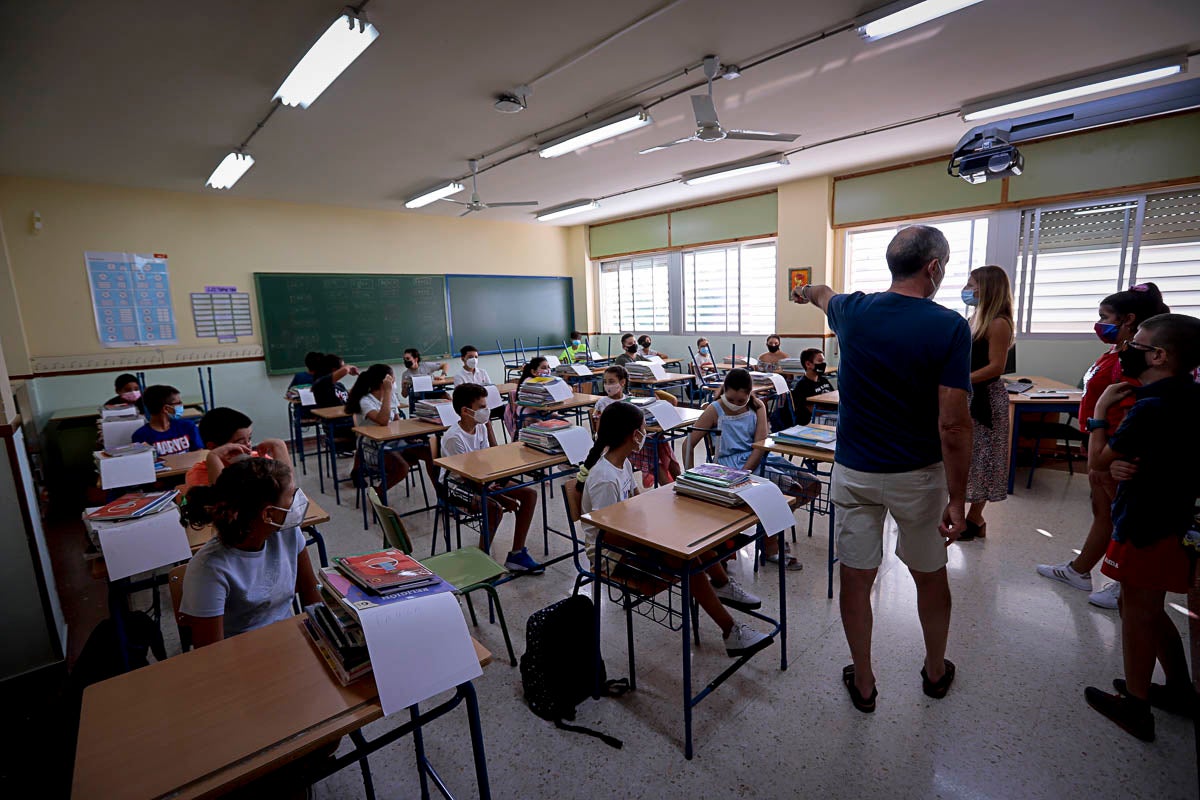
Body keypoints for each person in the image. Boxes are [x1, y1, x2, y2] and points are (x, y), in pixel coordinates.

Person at [791, 224, 973, 713]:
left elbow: (822, 293)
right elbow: (954, 424)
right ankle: (935, 672)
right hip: (918, 475)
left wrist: (804, 289)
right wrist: (959, 499)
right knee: (929, 574)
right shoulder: (950, 326)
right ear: (933, 267)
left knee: (857, 576)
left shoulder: (854, 311)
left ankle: (865, 682)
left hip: (855, 473)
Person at [1081, 313, 1200, 742]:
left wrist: (1098, 414)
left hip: (1147, 522)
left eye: (1139, 344)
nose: (1129, 347)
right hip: (1175, 519)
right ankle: (1181, 690)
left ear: (1160, 356)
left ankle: (1136, 705)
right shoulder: (1191, 394)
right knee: (1149, 607)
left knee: (1137, 613)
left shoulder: (1150, 406)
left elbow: (1098, 463)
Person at [579, 400, 770, 656]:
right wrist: (653, 533)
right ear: (632, 435)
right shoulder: (604, 478)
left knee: (692, 538)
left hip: (631, 537)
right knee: (684, 558)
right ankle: (730, 631)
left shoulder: (622, 463)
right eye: (642, 428)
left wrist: (658, 522)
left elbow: (637, 502)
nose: (645, 434)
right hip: (610, 555)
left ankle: (723, 585)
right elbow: (608, 535)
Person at [1036, 283, 1170, 609]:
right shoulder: (1116, 352)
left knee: (1123, 518)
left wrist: (1111, 454)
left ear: (1129, 319)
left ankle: (1125, 584)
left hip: (1114, 449)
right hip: (1097, 443)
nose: (1099, 324)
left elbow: (1131, 411)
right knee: (1104, 514)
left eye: (1105, 317)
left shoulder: (1135, 361)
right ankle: (1080, 570)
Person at [179, 458, 321, 646]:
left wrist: (326, 636)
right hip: (241, 657)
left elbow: (310, 592)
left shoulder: (287, 532)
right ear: (268, 514)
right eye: (291, 496)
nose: (297, 501)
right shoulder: (208, 569)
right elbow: (211, 653)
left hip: (289, 642)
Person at [684, 368, 809, 570]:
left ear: (749, 393)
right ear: (724, 390)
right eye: (730, 399)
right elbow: (688, 442)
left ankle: (769, 528)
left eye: (740, 401)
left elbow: (759, 444)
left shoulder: (757, 406)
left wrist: (746, 472)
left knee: (809, 483)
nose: (734, 404)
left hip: (754, 459)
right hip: (728, 466)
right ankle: (771, 545)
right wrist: (688, 476)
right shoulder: (715, 408)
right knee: (788, 488)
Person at [442, 383, 543, 574]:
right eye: (481, 407)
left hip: (482, 479)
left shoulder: (479, 427)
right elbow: (466, 478)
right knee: (494, 508)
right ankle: (481, 560)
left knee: (529, 494)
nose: (486, 411)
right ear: (465, 411)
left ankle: (517, 555)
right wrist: (504, 498)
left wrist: (488, 428)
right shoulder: (454, 438)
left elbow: (491, 458)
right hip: (456, 486)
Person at [959, 266, 1015, 541]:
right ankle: (962, 514)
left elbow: (996, 367)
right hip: (967, 394)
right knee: (965, 456)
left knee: (983, 457)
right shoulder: (974, 318)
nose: (967, 289)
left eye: (971, 284)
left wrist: (961, 379)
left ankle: (975, 518)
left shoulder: (998, 322)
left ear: (987, 288)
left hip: (985, 399)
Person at [345, 364, 435, 492]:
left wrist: (410, 437)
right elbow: (383, 421)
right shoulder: (365, 401)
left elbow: (397, 421)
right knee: (402, 468)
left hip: (395, 441)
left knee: (428, 451)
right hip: (374, 447)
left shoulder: (391, 396)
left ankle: (441, 496)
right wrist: (387, 392)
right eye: (392, 379)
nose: (394, 382)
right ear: (385, 381)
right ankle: (378, 494)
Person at [593, 364, 681, 488]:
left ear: (622, 382)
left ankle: (680, 481)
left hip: (634, 438)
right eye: (605, 382)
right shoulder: (602, 403)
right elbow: (600, 432)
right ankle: (670, 488)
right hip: (618, 443)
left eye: (611, 381)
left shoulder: (631, 400)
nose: (607, 385)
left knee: (661, 443)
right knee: (653, 455)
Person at [185, 406, 289, 488]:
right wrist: (214, 458)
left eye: (249, 439)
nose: (248, 446)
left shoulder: (257, 460)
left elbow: (287, 487)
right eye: (240, 442)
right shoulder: (199, 473)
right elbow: (223, 502)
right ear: (213, 446)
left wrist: (279, 446)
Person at [131, 384, 203, 457]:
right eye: (178, 403)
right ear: (166, 409)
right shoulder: (140, 436)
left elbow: (199, 453)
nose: (181, 406)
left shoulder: (188, 426)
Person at [790, 348, 834, 425]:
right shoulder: (802, 385)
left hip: (827, 414)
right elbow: (811, 409)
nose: (823, 364)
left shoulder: (823, 380)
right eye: (820, 361)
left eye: (823, 361)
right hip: (812, 420)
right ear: (808, 364)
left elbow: (833, 396)